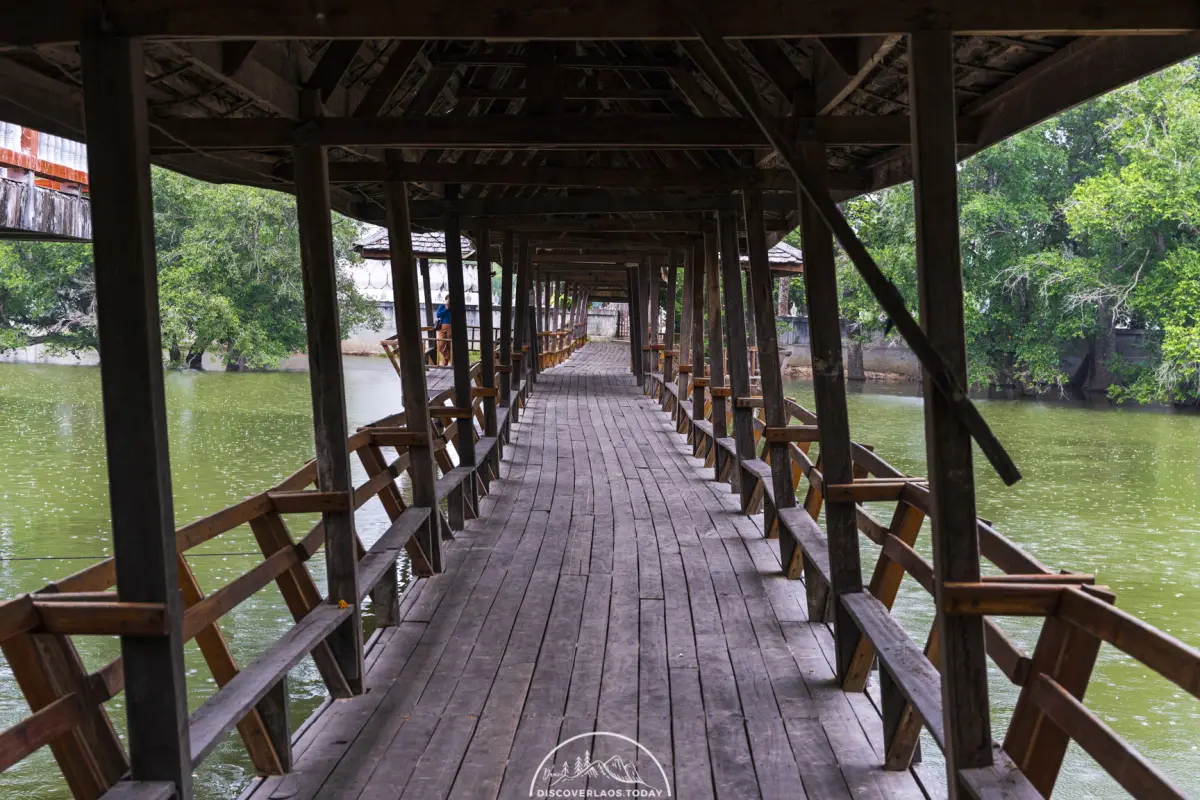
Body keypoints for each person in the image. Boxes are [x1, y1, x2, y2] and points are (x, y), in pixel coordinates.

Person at [435, 294, 453, 365]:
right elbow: (438, 315)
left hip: (451, 328)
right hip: (442, 328)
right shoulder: (442, 306)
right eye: (448, 299)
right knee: (441, 344)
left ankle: (446, 363)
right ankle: (447, 357)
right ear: (446, 300)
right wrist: (446, 309)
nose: (449, 301)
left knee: (449, 345)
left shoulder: (453, 308)